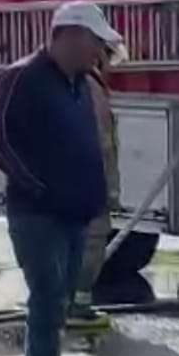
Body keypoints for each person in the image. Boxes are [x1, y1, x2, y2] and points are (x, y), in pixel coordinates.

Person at [0, 1, 117, 356]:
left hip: (75, 213)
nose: (98, 52)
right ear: (70, 36)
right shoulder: (25, 77)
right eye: (94, 43)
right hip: (37, 215)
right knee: (46, 302)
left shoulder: (82, 83)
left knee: (56, 305)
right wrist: (39, 187)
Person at [71, 47, 120, 324]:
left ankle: (72, 301)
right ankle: (77, 305)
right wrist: (109, 188)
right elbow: (103, 142)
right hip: (89, 180)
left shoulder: (75, 82)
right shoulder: (90, 85)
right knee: (92, 241)